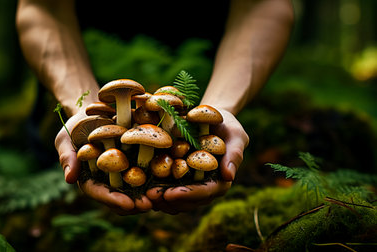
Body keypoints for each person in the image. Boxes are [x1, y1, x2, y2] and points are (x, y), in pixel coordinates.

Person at [16, 0, 294, 215]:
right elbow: (42, 8)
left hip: (222, 74)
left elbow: (264, 6)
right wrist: (84, 107)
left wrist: (220, 108)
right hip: (70, 79)